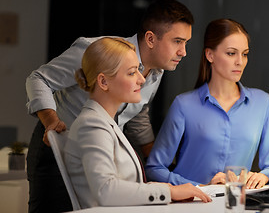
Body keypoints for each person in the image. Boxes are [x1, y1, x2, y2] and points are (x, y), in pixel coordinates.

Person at [25, 0, 194, 212]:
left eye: (186, 42)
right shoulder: (97, 51)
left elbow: (138, 113)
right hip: (55, 143)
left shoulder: (156, 71)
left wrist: (157, 160)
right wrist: (51, 121)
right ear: (151, 39)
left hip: (100, 153)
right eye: (177, 41)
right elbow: (38, 79)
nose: (183, 52)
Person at [64, 37, 211, 208]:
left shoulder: (105, 123)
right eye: (132, 72)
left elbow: (123, 186)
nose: (141, 79)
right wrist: (170, 192)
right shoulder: (92, 126)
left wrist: (170, 188)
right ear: (103, 82)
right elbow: (106, 190)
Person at [145, 19, 269, 189]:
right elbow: (154, 168)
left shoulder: (262, 103)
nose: (240, 62)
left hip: (234, 205)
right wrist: (200, 187)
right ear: (210, 55)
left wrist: (263, 176)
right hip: (191, 205)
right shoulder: (184, 105)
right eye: (231, 53)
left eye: (245, 54)